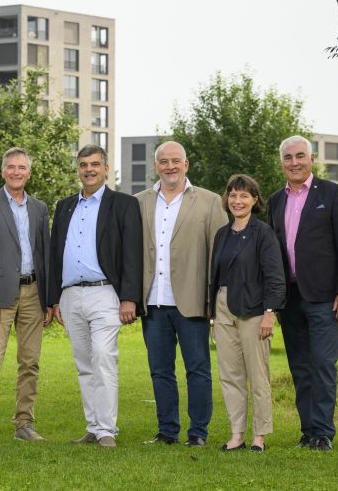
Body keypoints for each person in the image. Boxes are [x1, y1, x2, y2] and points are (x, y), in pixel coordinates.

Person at [48, 144, 143, 448]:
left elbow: (132, 253)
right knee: (84, 362)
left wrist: (129, 297)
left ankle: (107, 430)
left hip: (105, 293)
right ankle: (93, 426)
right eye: (83, 164)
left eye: (94, 164)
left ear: (105, 168)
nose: (88, 169)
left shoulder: (123, 204)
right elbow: (54, 253)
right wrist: (54, 298)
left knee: (103, 357)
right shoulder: (64, 206)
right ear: (78, 169)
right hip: (71, 295)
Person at [135, 141, 228, 448]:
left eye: (176, 160)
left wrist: (214, 300)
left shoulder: (210, 202)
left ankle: (198, 432)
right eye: (164, 161)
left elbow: (220, 254)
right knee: (160, 371)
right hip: (153, 301)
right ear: (155, 166)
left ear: (186, 164)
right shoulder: (139, 202)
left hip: (193, 301)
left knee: (197, 369)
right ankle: (167, 431)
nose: (170, 166)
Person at [267, 135, 338, 452]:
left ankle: (322, 433)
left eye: (300, 156)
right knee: (300, 367)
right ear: (282, 163)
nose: (295, 163)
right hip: (289, 299)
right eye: (288, 158)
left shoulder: (333, 194)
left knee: (322, 365)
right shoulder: (275, 200)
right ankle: (307, 431)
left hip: (324, 297)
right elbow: (273, 253)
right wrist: (273, 299)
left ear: (312, 158)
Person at [0, 147, 52, 444]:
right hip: (0, 294)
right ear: (3, 171)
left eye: (22, 167)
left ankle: (24, 424)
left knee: (30, 362)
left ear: (29, 173)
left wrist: (49, 300)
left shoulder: (40, 208)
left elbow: (45, 255)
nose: (16, 172)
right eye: (11, 167)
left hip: (34, 293)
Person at [210, 174, 285, 452]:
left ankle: (259, 436)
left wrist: (269, 313)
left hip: (254, 309)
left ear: (255, 200)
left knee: (257, 375)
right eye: (233, 195)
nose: (237, 201)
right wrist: (214, 317)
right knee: (230, 375)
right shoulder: (222, 234)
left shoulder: (263, 233)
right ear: (227, 199)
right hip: (223, 307)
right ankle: (237, 434)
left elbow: (275, 276)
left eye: (244, 196)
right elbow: (215, 277)